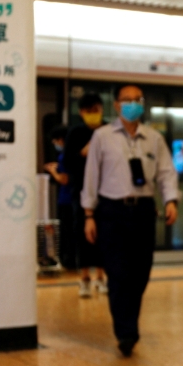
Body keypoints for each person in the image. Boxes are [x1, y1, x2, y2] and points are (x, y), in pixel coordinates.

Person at [82, 85, 179, 357]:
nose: (133, 104)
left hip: (144, 210)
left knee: (140, 272)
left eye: (138, 100)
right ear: (116, 105)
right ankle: (126, 332)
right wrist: (88, 214)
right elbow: (91, 177)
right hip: (111, 211)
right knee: (118, 272)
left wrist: (170, 200)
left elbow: (166, 173)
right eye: (127, 100)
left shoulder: (154, 138)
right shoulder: (102, 137)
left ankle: (128, 323)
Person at [64, 93, 108, 297]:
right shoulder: (75, 133)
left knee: (104, 235)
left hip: (107, 192)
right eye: (89, 111)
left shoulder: (109, 130)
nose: (94, 115)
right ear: (82, 113)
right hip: (80, 192)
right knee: (82, 235)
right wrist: (84, 152)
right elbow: (68, 163)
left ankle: (101, 277)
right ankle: (84, 279)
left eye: (97, 110)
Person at [43, 125, 77, 270]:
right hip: (73, 199)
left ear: (61, 139)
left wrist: (52, 172)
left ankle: (68, 261)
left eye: (55, 140)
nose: (54, 144)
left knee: (67, 232)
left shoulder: (65, 156)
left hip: (66, 199)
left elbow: (64, 179)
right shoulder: (72, 155)